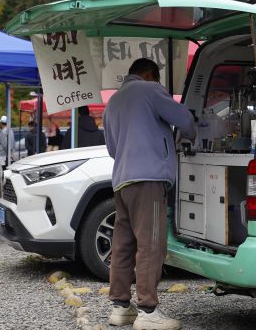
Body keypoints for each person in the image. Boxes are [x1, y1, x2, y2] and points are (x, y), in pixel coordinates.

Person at [103, 58, 196, 330]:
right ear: (149, 75)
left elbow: (112, 148)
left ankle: (120, 308)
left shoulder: (113, 102)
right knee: (151, 245)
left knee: (123, 245)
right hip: (148, 178)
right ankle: (147, 311)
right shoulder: (149, 89)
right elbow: (184, 119)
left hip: (121, 180)